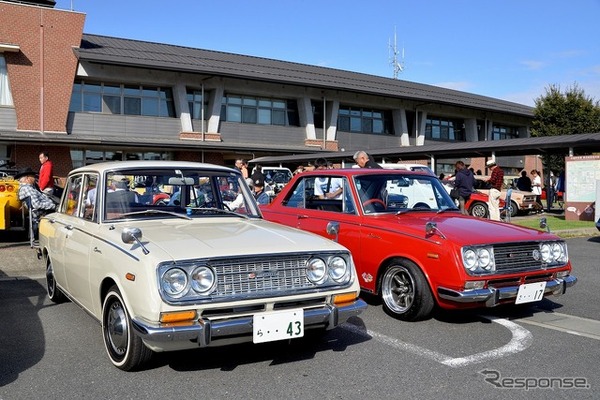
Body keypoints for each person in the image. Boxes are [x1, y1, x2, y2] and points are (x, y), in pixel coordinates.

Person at [15, 167, 56, 239]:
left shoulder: (30, 188)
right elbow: (36, 204)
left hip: (46, 209)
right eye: (33, 176)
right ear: (28, 178)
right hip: (45, 212)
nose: (35, 178)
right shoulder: (27, 189)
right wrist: (53, 206)